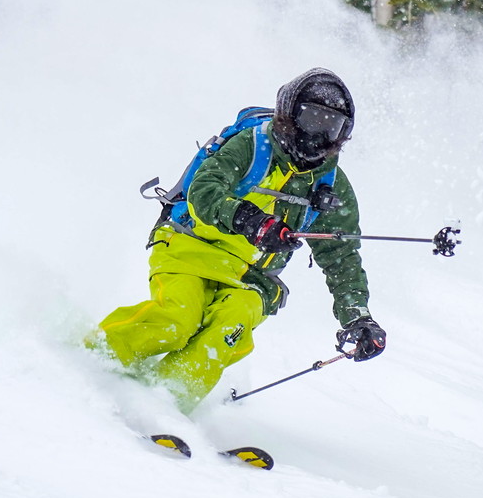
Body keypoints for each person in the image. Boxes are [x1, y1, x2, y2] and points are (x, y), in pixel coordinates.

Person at [88, 68, 386, 412]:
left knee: (226, 333)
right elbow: (205, 189)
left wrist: (358, 318)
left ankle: (165, 404)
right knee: (176, 322)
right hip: (190, 247)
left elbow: (341, 255)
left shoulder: (331, 185)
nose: (317, 135)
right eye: (310, 119)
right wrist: (252, 221)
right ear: (290, 114)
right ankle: (91, 360)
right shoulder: (253, 146)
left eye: (330, 125)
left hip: (250, 279)